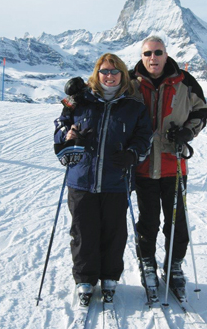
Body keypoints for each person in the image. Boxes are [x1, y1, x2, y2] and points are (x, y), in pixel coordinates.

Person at [54, 53, 153, 306]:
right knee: (83, 231)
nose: (109, 76)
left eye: (114, 71)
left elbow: (144, 138)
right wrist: (69, 135)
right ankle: (85, 278)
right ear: (96, 74)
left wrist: (132, 154)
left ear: (123, 75)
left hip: (116, 180)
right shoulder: (79, 102)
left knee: (114, 232)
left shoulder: (134, 107)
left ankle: (109, 276)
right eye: (104, 71)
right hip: (81, 179)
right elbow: (60, 125)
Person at [129, 36, 207, 299]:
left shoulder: (184, 80)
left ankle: (174, 265)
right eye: (148, 53)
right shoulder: (130, 82)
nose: (153, 57)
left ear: (166, 55)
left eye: (158, 52)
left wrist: (188, 131)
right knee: (149, 221)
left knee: (177, 223)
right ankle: (148, 263)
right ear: (142, 56)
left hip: (173, 164)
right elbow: (106, 101)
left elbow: (201, 111)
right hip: (143, 167)